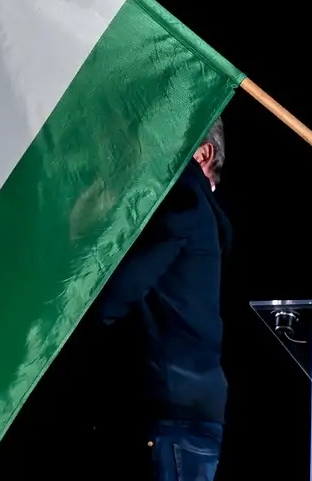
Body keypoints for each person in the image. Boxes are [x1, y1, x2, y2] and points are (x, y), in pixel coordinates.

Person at [88, 117, 233, 480]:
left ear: (203, 153)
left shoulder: (184, 199)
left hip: (174, 408)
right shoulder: (202, 210)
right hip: (187, 405)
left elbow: (119, 291)